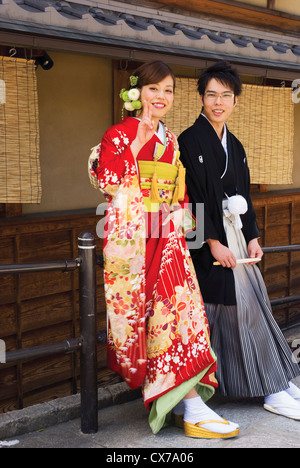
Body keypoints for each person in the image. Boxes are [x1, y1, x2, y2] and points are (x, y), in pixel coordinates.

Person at [89, 60, 239, 438]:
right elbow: (107, 180)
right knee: (152, 323)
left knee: (181, 317)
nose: (162, 97)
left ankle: (186, 403)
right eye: (155, 88)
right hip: (135, 245)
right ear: (137, 92)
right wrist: (136, 145)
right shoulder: (117, 134)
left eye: (169, 90)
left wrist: (178, 212)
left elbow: (181, 193)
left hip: (167, 239)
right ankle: (183, 404)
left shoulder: (171, 140)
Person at [178, 61, 300, 421]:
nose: (218, 102)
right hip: (208, 243)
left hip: (236, 238)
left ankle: (276, 380)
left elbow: (243, 194)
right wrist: (211, 242)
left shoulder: (237, 144)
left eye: (226, 96)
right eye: (212, 95)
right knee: (234, 311)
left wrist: (253, 237)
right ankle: (270, 387)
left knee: (251, 306)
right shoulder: (189, 140)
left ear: (235, 101)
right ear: (201, 98)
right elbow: (191, 199)